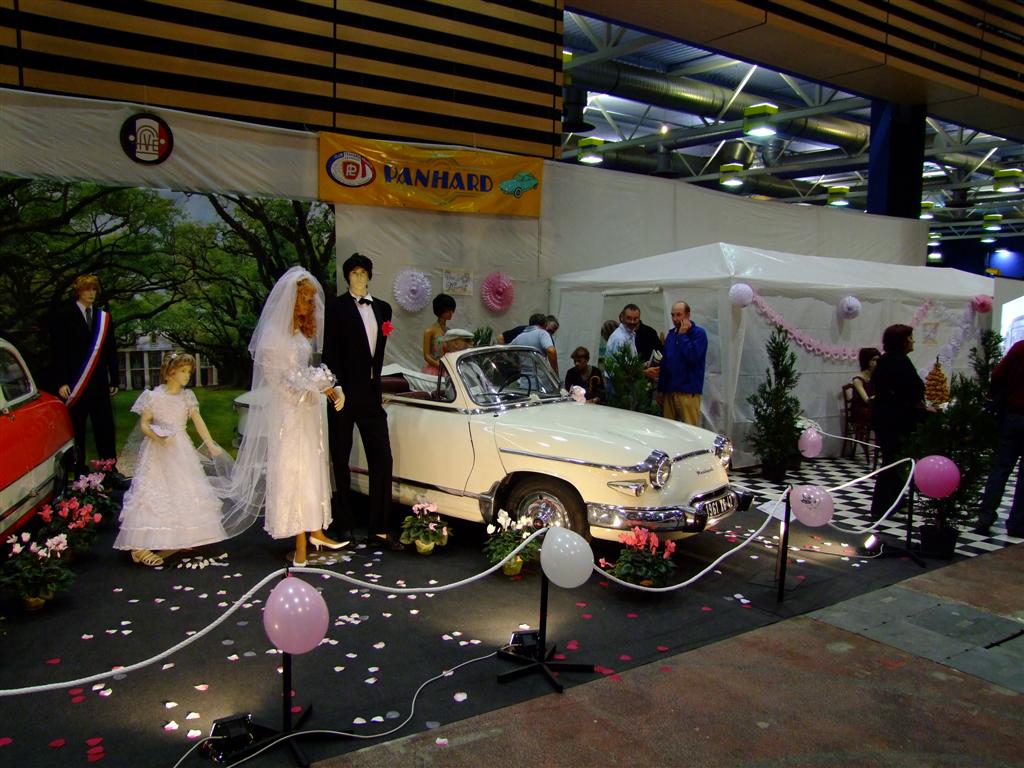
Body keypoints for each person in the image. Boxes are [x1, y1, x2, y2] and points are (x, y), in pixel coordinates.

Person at [232, 267, 346, 567]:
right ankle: (299, 539)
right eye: (305, 299)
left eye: (310, 300)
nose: (310, 305)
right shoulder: (273, 335)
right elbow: (277, 378)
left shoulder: (298, 333)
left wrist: (323, 384)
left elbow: (303, 370)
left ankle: (316, 529)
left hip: (307, 411)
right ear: (292, 300)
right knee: (294, 470)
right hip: (289, 412)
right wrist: (309, 387)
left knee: (312, 468)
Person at [113, 353, 240, 567]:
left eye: (189, 372)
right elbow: (144, 423)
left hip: (180, 447)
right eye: (183, 371)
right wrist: (156, 436)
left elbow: (198, 421)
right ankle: (139, 545)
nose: (187, 376)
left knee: (184, 488)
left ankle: (182, 535)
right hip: (158, 449)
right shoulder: (153, 396)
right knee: (154, 489)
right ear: (170, 373)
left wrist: (209, 443)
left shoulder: (187, 397)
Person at [323, 253, 401, 550]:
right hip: (343, 394)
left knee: (382, 458)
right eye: (353, 273)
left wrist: (376, 383)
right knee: (341, 457)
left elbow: (378, 351)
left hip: (371, 393)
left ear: (369, 275)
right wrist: (336, 386)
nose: (358, 277)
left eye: (363, 272)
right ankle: (344, 525)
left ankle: (379, 529)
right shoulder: (336, 307)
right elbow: (330, 350)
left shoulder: (383, 308)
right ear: (347, 277)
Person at [51, 274, 122, 479]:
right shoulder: (64, 315)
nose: (91, 293)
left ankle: (109, 470)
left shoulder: (103, 317)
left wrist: (114, 378)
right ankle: (78, 473)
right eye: (87, 289)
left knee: (105, 427)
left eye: (94, 289)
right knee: (78, 429)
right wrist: (61, 381)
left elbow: (110, 350)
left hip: (99, 383)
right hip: (76, 384)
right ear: (78, 291)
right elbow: (59, 351)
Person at [868, 324, 926, 521]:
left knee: (896, 461)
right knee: (893, 462)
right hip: (895, 420)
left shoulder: (888, 361)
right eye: (910, 338)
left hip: (887, 418)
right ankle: (883, 505)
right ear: (902, 341)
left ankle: (895, 501)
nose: (913, 341)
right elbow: (913, 389)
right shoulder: (898, 362)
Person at [973, 340, 1024, 537]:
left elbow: (997, 375)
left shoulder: (1019, 347)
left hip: (1012, 415)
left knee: (1000, 469)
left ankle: (985, 516)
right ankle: (1017, 523)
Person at [656, 301, 708, 426]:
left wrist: (683, 336)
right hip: (669, 392)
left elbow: (693, 357)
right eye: (673, 315)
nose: (675, 319)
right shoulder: (671, 335)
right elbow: (665, 363)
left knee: (689, 429)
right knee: (668, 428)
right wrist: (661, 389)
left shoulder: (699, 334)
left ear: (687, 315)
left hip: (688, 392)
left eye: (679, 315)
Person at [422, 293, 456, 375]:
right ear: (440, 311)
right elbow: (426, 356)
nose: (451, 313)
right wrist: (439, 365)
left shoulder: (449, 331)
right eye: (448, 310)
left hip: (447, 368)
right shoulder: (429, 331)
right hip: (434, 369)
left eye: (452, 310)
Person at [850, 346, 880, 427]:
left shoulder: (877, 377)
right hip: (861, 410)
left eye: (878, 360)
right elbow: (866, 400)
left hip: (874, 407)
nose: (876, 363)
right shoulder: (858, 379)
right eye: (873, 360)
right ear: (866, 361)